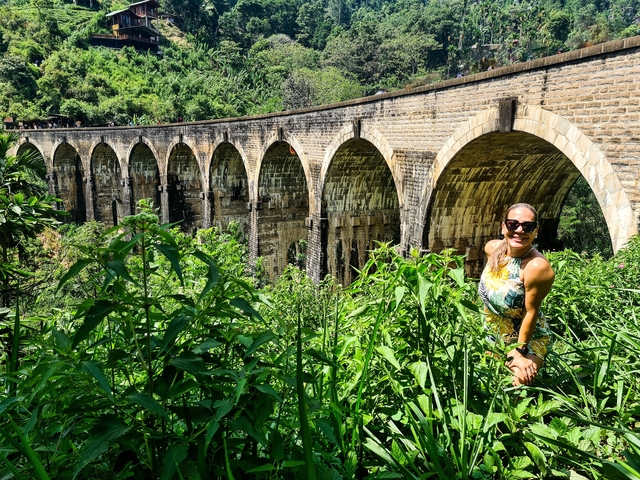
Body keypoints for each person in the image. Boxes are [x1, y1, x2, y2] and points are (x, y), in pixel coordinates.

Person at [478, 203, 555, 386]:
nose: (519, 230)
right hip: (492, 332)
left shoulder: (536, 266)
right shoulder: (493, 249)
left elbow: (531, 312)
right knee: (485, 385)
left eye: (527, 226)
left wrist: (519, 352)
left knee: (515, 388)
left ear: (536, 231)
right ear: (503, 226)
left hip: (525, 338)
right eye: (513, 224)